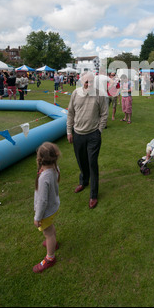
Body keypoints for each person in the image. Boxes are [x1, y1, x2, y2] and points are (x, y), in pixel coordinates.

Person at [67, 72, 108, 209]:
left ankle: (93, 195)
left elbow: (104, 114)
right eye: (86, 82)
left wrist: (99, 130)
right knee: (81, 161)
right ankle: (83, 181)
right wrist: (69, 131)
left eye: (91, 82)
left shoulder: (99, 95)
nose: (89, 84)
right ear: (81, 82)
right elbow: (70, 113)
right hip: (78, 134)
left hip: (93, 135)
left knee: (92, 163)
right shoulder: (75, 93)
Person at [33, 142, 61, 273]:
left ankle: (50, 258)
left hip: (46, 211)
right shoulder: (55, 168)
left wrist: (37, 217)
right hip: (53, 207)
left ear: (39, 159)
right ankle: (54, 243)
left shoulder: (44, 177)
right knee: (50, 228)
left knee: (47, 233)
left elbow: (42, 201)